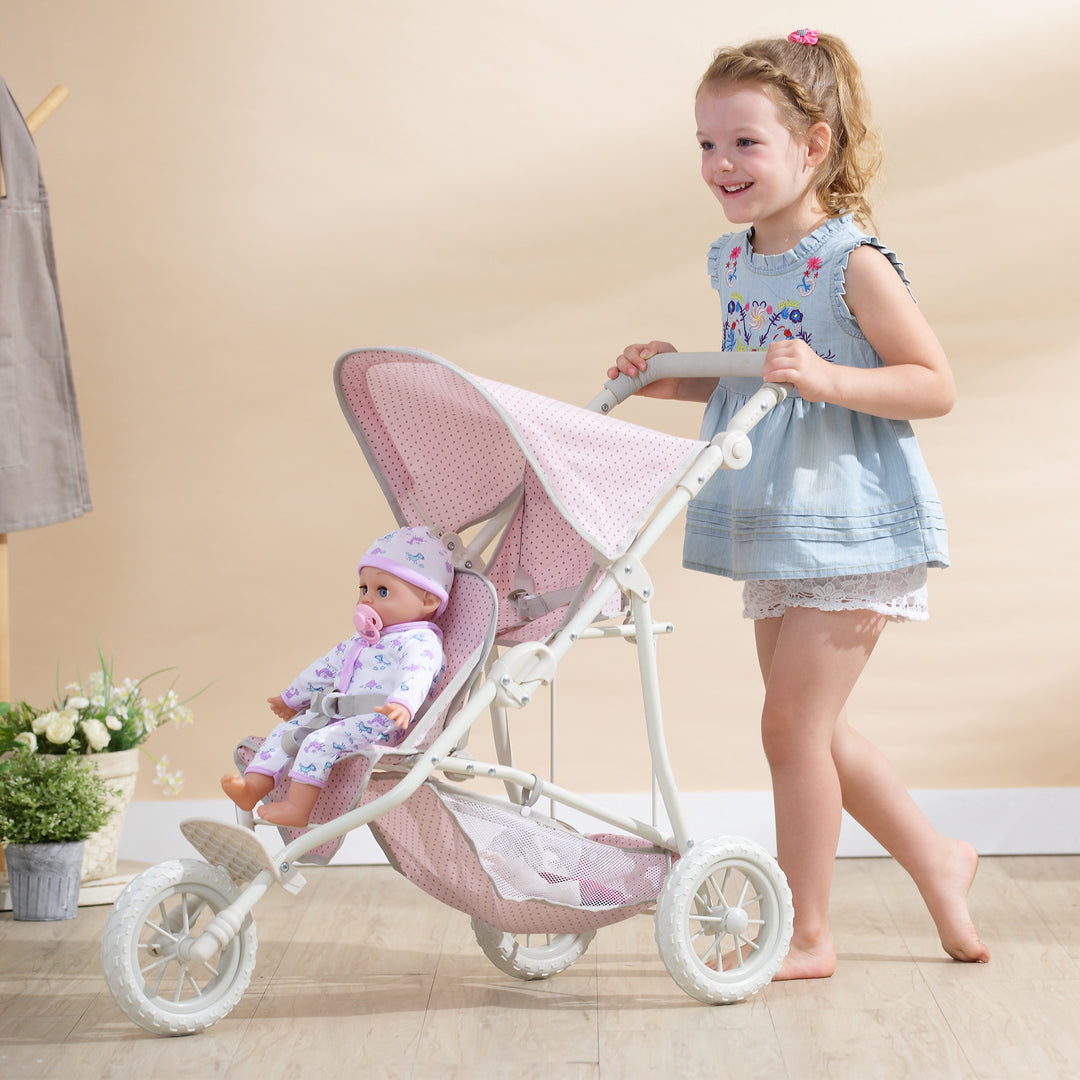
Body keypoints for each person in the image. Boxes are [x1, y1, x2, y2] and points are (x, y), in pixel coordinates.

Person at [609, 29, 989, 979]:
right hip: (776, 519)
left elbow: (932, 383)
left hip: (853, 516)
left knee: (788, 729)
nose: (720, 164)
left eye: (745, 142)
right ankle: (940, 860)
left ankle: (808, 933)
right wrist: (679, 380)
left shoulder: (851, 262)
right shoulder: (734, 264)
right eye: (706, 143)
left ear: (813, 145)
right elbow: (759, 383)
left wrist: (828, 376)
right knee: (813, 729)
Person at [221, 526, 454, 827]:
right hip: (340, 716)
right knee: (287, 732)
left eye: (382, 591)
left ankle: (297, 807)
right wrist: (292, 697)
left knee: (319, 742)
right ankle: (253, 788)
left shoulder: (420, 641)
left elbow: (417, 673)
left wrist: (403, 703)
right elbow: (324, 667)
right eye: (364, 589)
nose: (368, 599)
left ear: (428, 601)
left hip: (382, 722)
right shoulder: (363, 640)